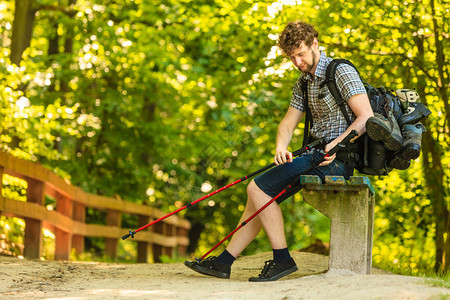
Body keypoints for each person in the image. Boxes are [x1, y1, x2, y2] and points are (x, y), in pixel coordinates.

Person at [185, 20, 374, 281]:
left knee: (257, 188)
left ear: (315, 44)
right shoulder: (304, 82)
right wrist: (280, 146)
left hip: (338, 158)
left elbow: (366, 117)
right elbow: (288, 122)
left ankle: (282, 259)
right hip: (313, 156)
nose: (297, 62)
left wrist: (337, 144)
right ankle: (224, 262)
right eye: (291, 57)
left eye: (301, 54)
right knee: (258, 198)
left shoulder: (340, 71)